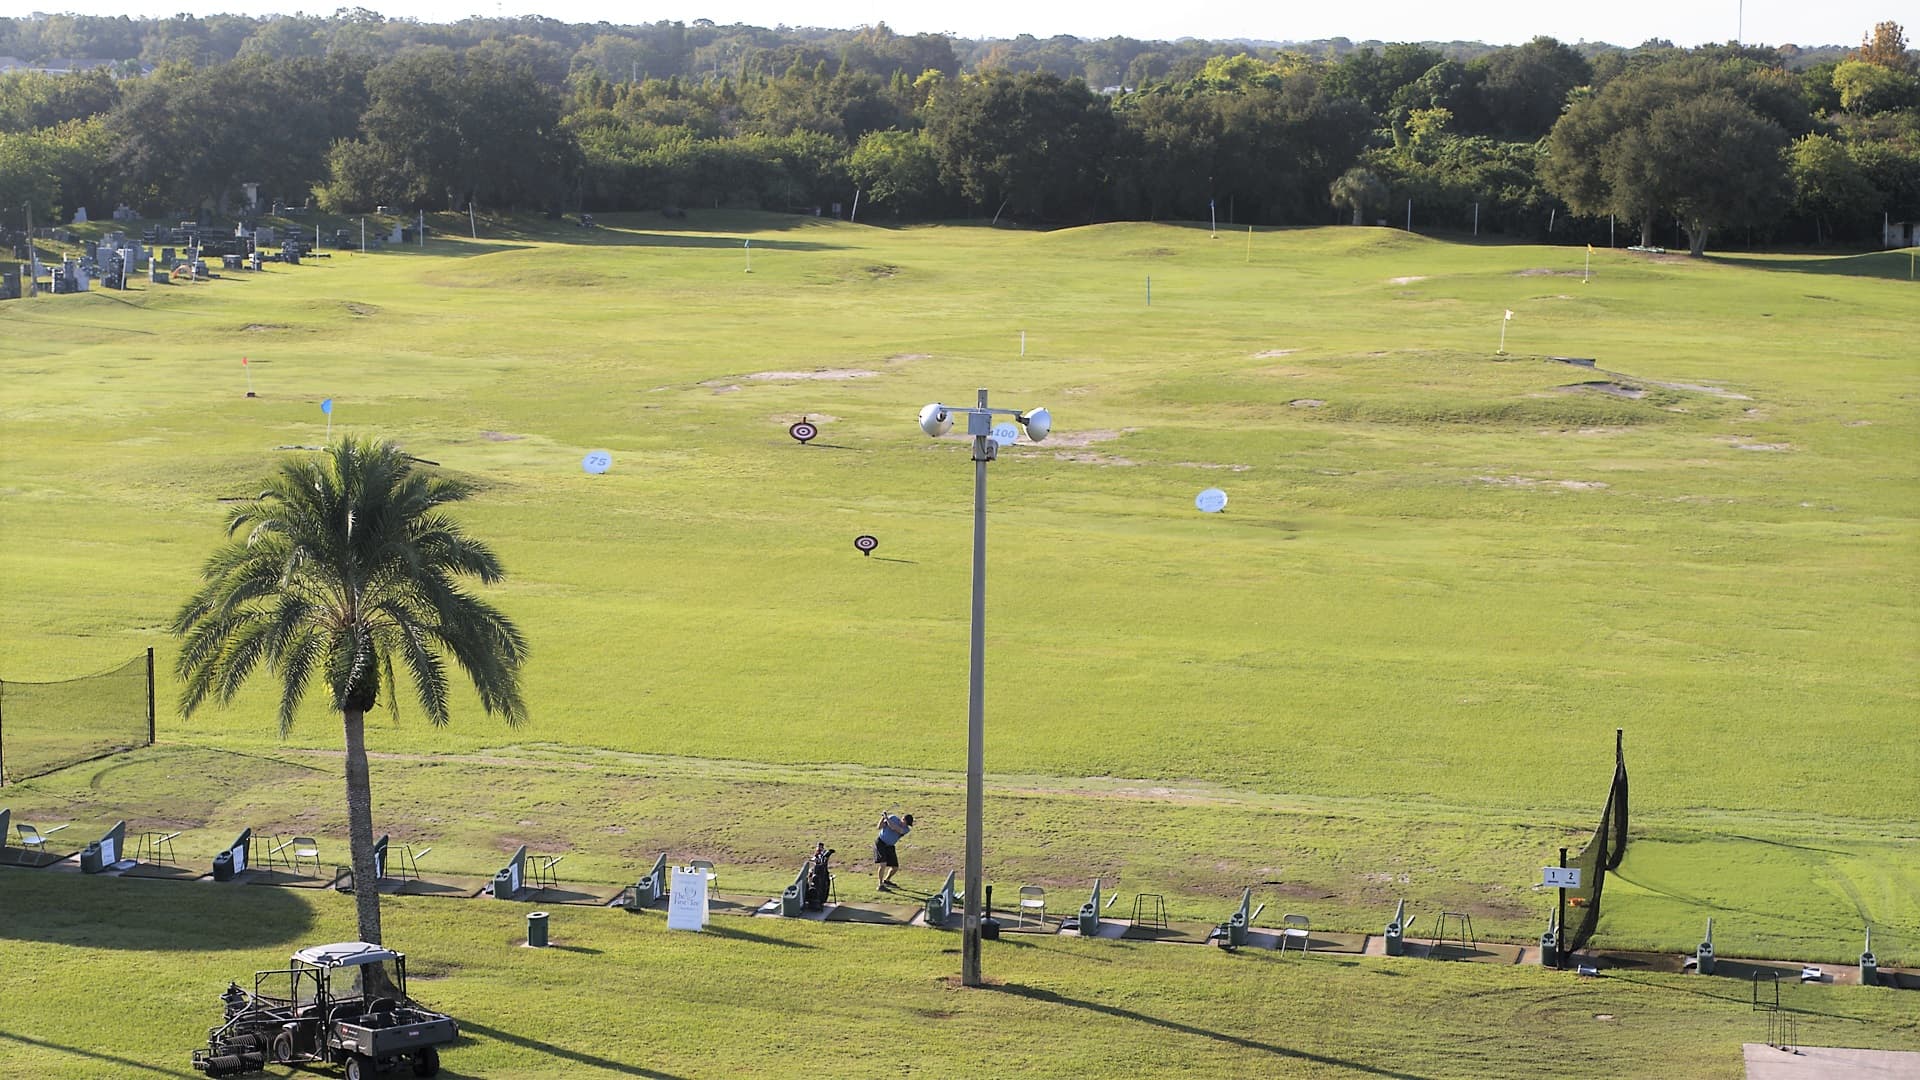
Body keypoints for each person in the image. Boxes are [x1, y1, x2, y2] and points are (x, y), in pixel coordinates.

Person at [874, 811, 913, 890]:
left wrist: (887, 818)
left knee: (895, 867)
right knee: (883, 864)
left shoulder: (906, 829)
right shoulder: (893, 818)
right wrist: (883, 818)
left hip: (890, 846)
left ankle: (887, 880)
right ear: (903, 819)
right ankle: (880, 885)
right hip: (880, 843)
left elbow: (894, 828)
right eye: (906, 823)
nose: (906, 825)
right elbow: (879, 827)